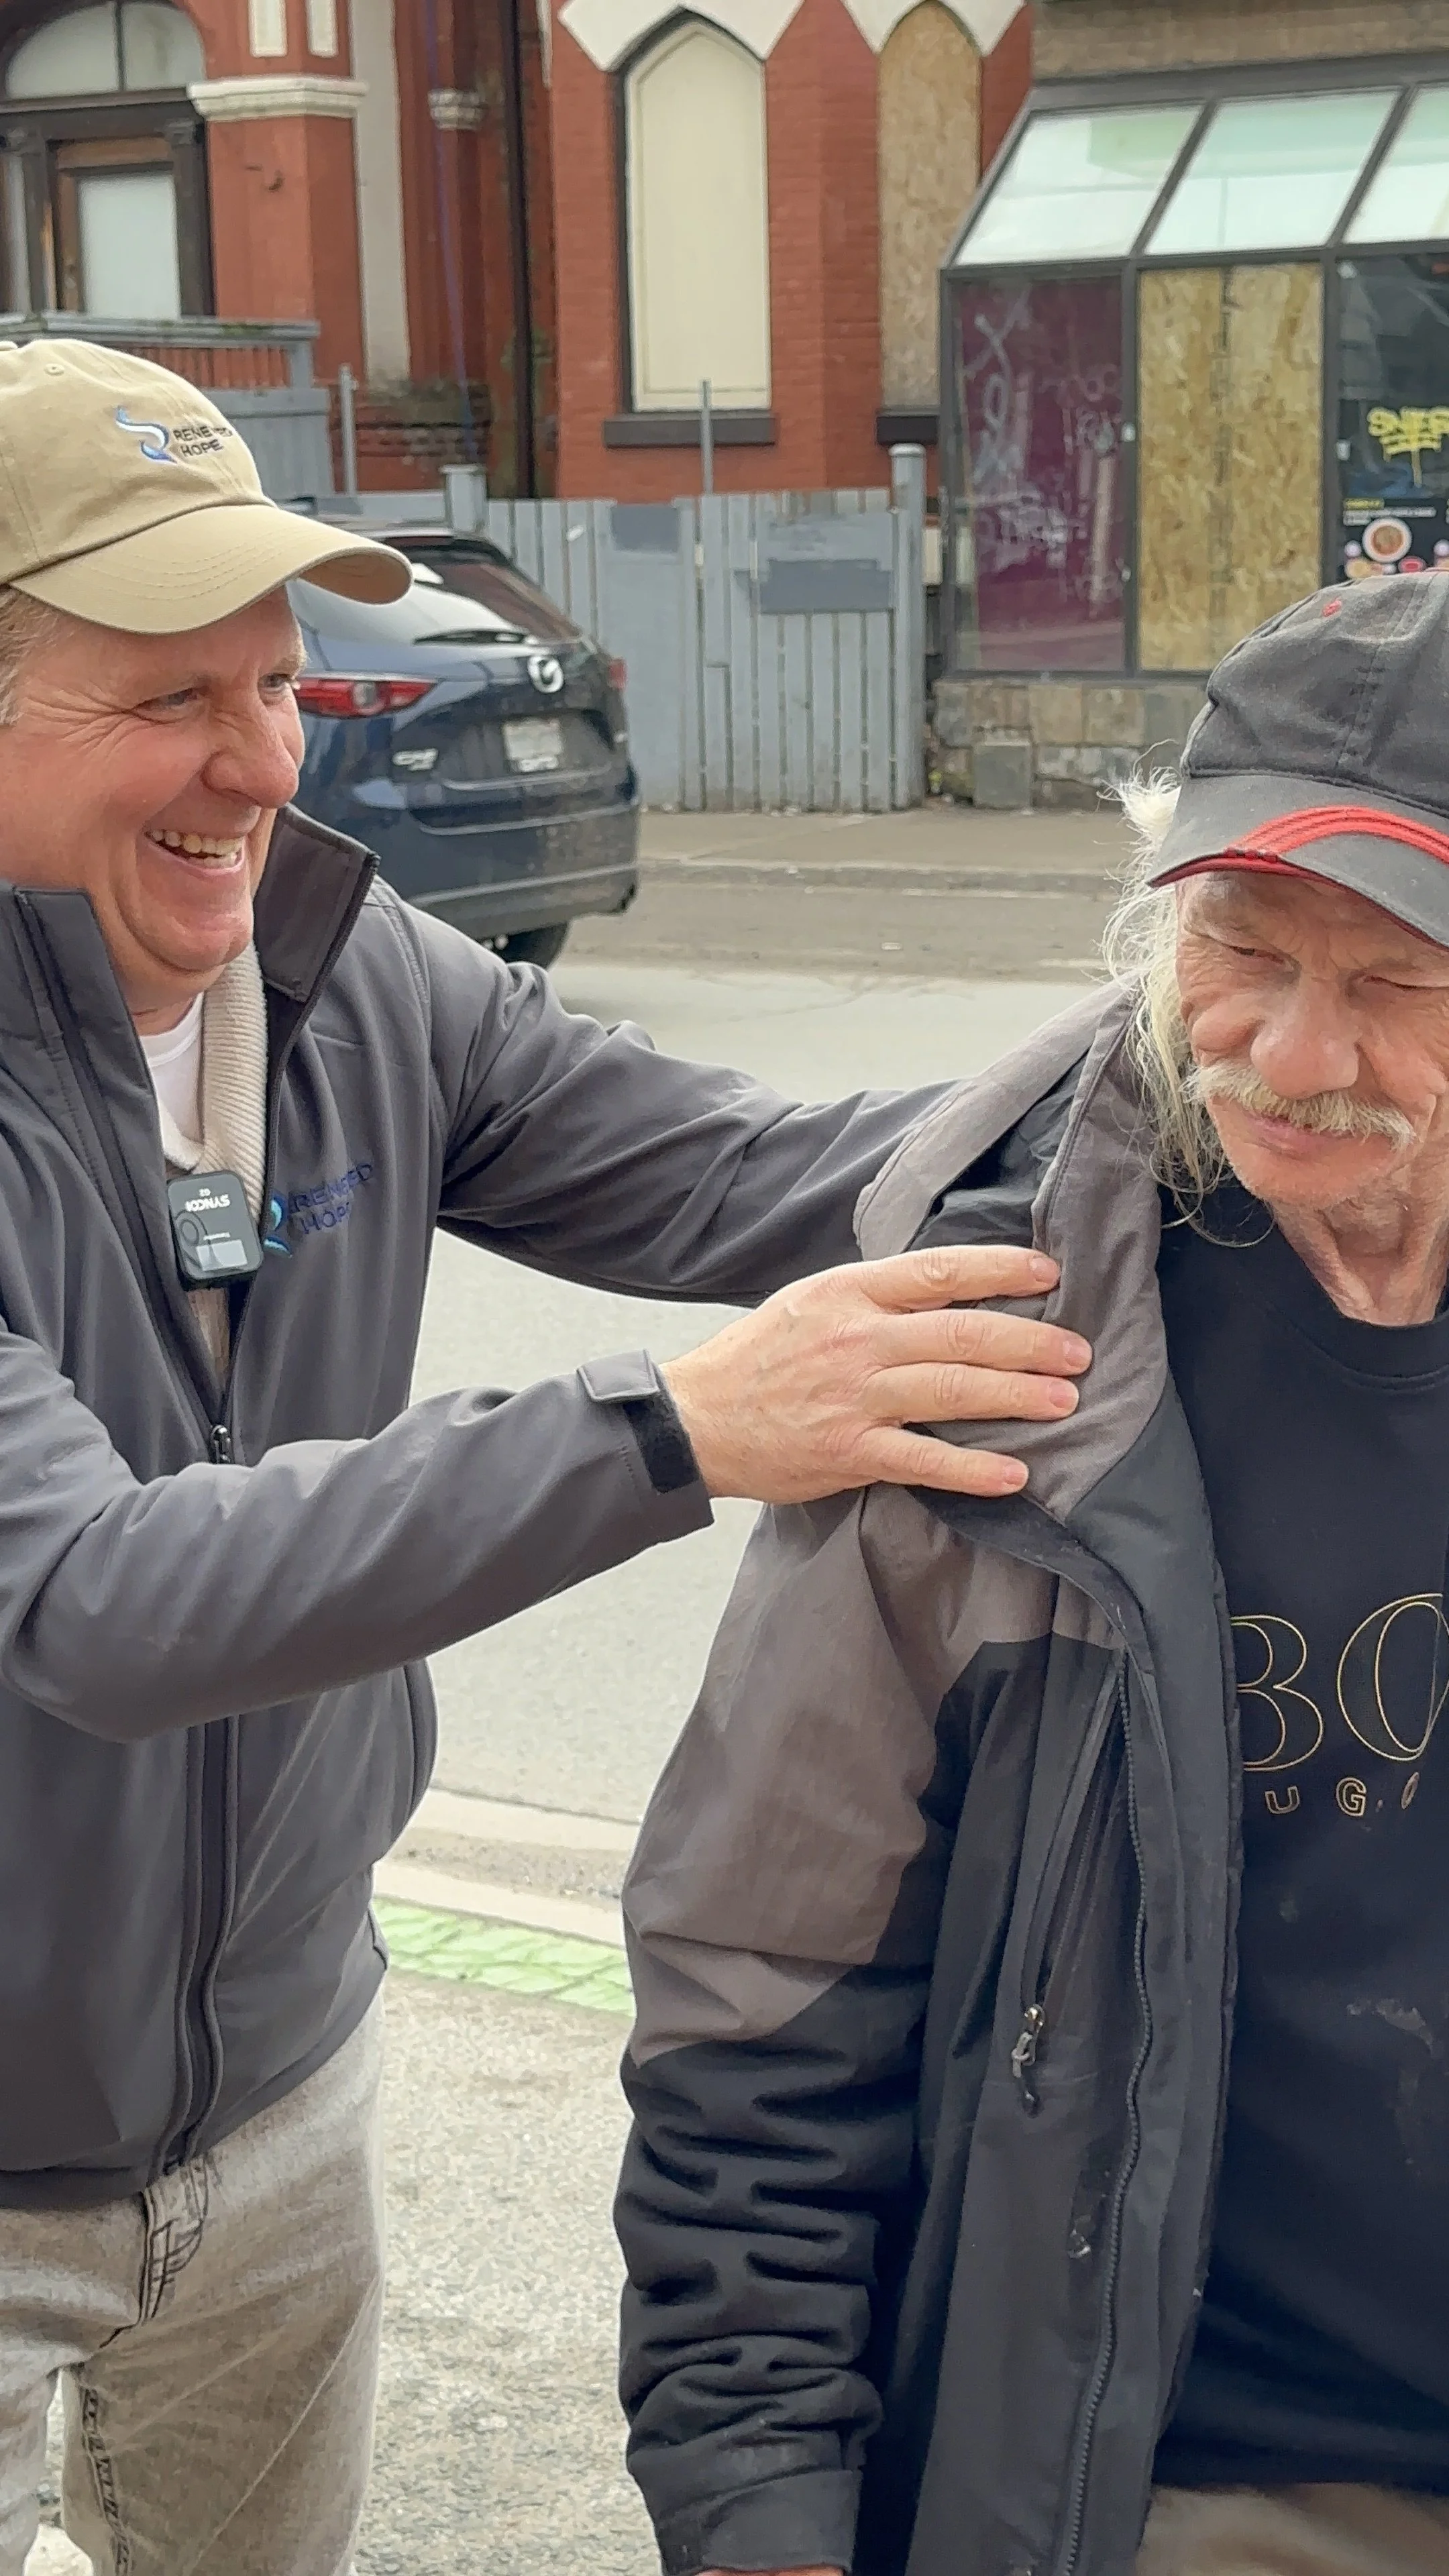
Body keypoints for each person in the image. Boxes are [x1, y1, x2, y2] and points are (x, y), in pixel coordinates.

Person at [0, 337, 1094, 2576]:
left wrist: (1210, 1047)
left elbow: (759, 1178)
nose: (256, 766)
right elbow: (92, 1603)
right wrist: (683, 1429)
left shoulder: (347, 978)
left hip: (283, 2090)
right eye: (168, 701)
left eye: (276, 682)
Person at [616, 570, 1449, 2576]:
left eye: (1400, 982)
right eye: (1242, 950)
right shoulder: (1004, 1357)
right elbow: (763, 1990)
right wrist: (758, 2497)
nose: (1293, 1051)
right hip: (1190, 2482)